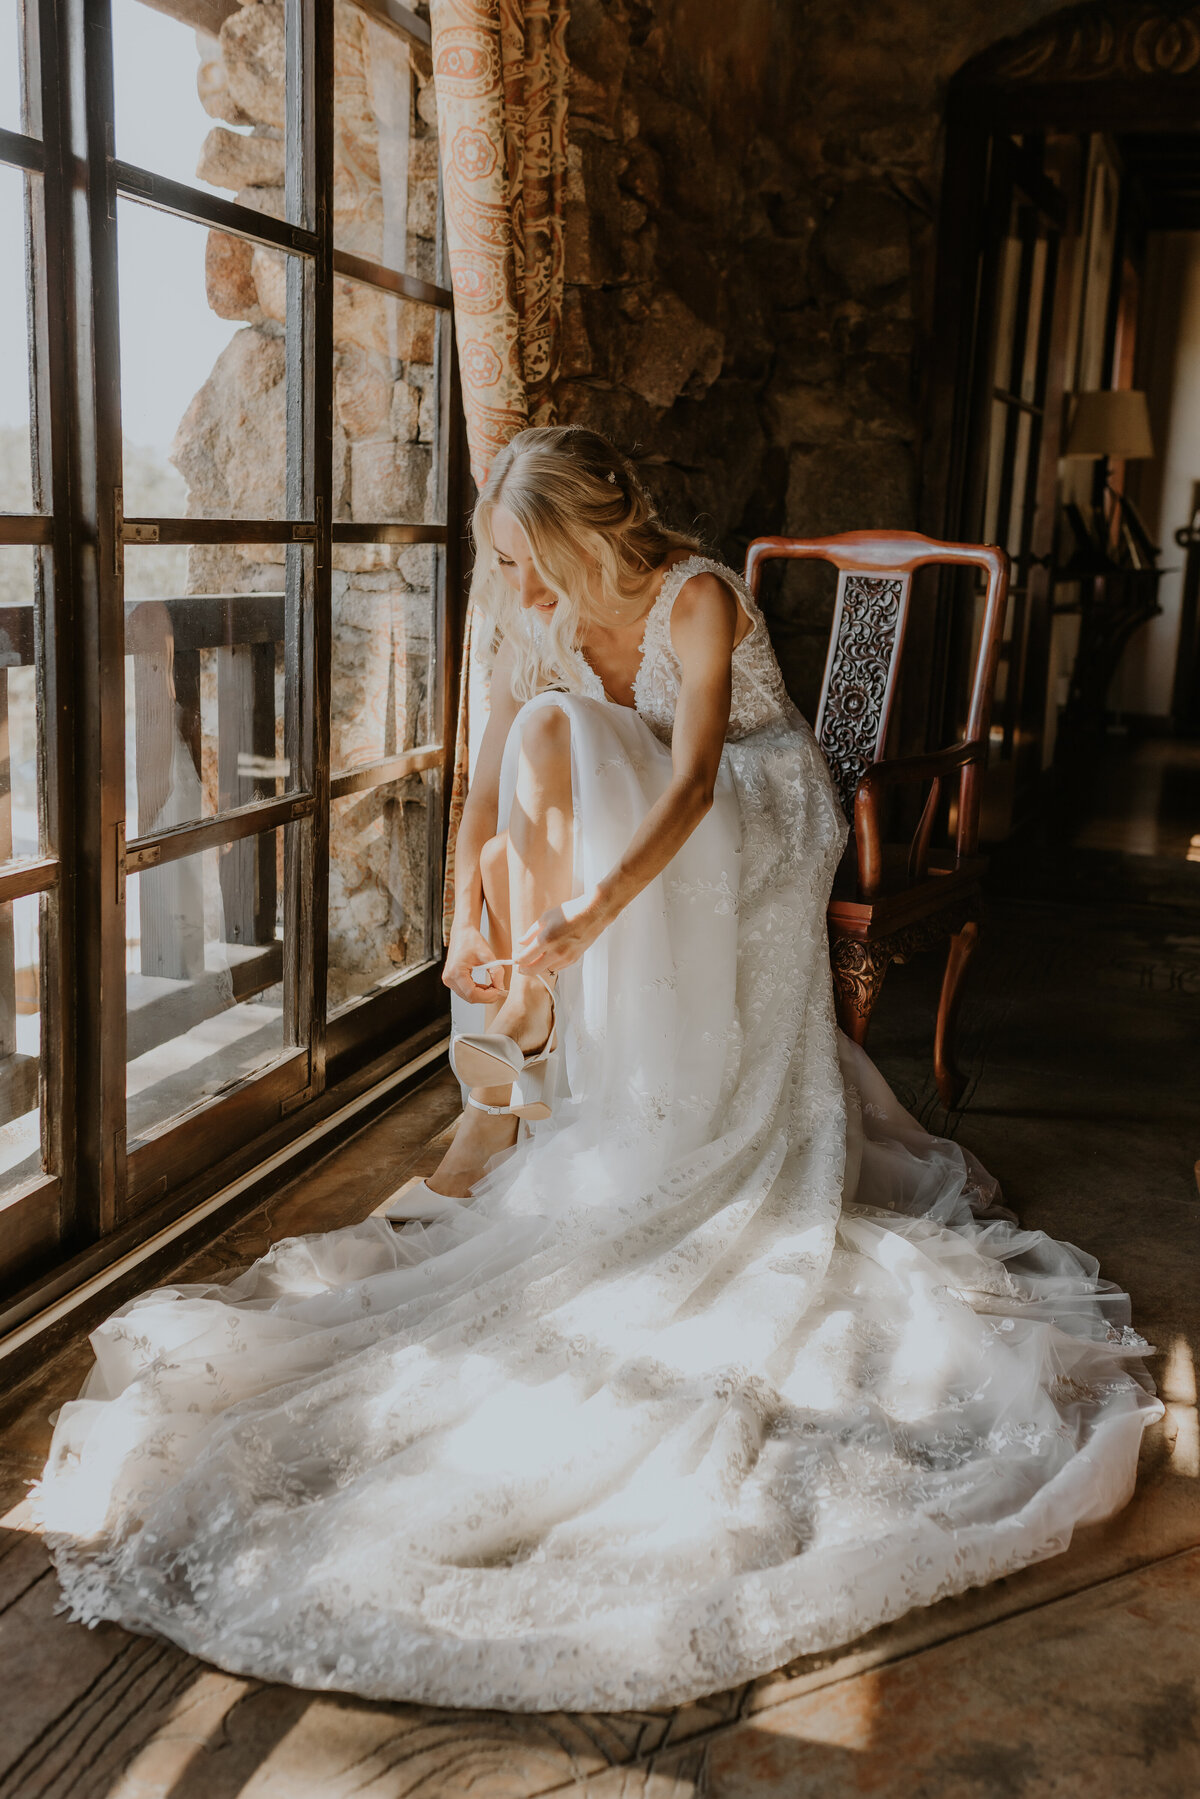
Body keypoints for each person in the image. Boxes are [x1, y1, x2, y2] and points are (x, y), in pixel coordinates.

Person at [36, 426, 1161, 1714]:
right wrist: (469, 897)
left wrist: (590, 915)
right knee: (546, 730)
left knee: (575, 745)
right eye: (507, 564)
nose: (517, 587)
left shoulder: (696, 597)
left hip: (754, 809)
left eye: (526, 560)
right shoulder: (546, 615)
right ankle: (519, 1027)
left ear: (577, 539)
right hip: (649, 814)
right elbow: (494, 770)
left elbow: (689, 789)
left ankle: (529, 1031)